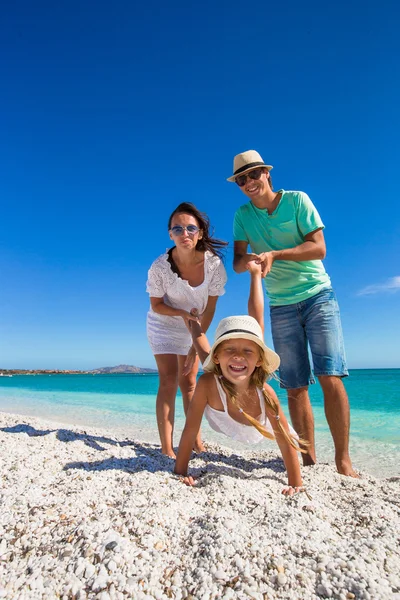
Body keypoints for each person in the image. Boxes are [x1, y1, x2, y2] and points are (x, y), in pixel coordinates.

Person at [229, 149, 357, 477]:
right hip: (280, 305)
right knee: (295, 385)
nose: (248, 182)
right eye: (241, 179)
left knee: (330, 375)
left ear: (267, 174)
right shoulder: (242, 215)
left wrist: (276, 254)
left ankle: (343, 460)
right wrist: (252, 262)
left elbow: (319, 247)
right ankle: (310, 459)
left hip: (318, 297)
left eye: (253, 174)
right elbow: (238, 262)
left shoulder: (298, 201)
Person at [174, 262, 307, 495]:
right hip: (221, 397)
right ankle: (194, 321)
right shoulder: (208, 383)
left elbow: (284, 442)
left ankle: (255, 276)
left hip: (259, 425)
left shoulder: (265, 394)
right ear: (218, 357)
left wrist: (296, 483)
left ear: (258, 361)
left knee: (256, 329)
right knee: (204, 345)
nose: (238, 356)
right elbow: (189, 430)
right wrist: (181, 472)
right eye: (228, 350)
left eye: (248, 353)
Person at [146, 202, 228, 458]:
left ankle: (194, 441)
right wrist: (181, 314)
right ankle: (167, 447)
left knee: (190, 382)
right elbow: (157, 305)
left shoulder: (214, 265)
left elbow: (211, 308)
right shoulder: (160, 267)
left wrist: (195, 344)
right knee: (169, 380)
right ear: (170, 234)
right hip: (163, 324)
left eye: (191, 228)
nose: (185, 234)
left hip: (194, 325)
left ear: (200, 232)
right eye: (178, 229)